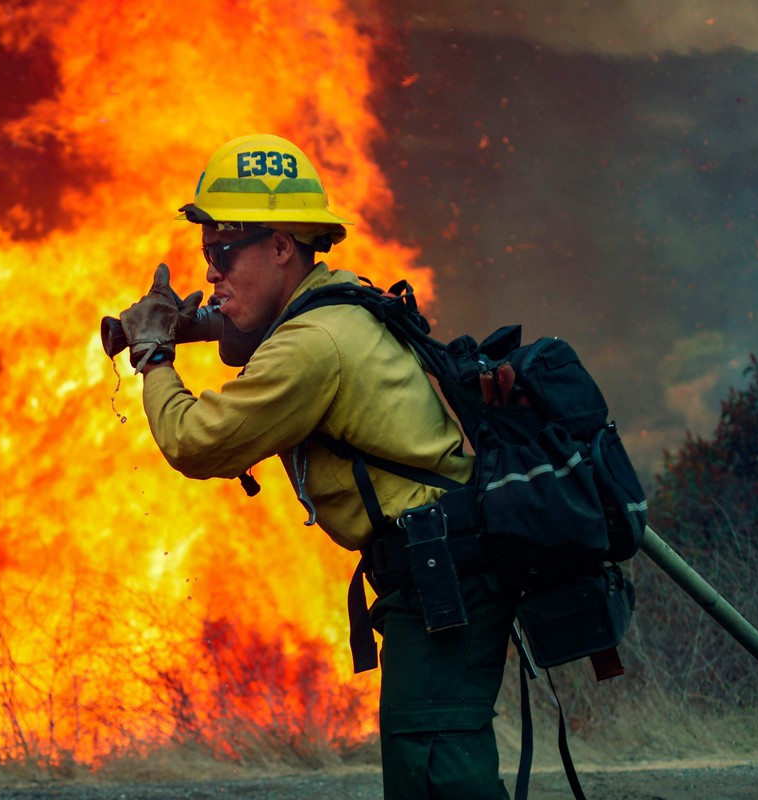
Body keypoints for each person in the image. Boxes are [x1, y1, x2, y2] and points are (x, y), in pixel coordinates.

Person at [118, 133, 517, 799]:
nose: (210, 271)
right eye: (205, 252)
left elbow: (197, 442)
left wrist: (155, 353)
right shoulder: (335, 303)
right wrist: (202, 325)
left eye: (223, 251)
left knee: (440, 775)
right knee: (430, 765)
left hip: (440, 575)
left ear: (280, 248)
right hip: (437, 570)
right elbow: (258, 337)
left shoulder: (313, 345)